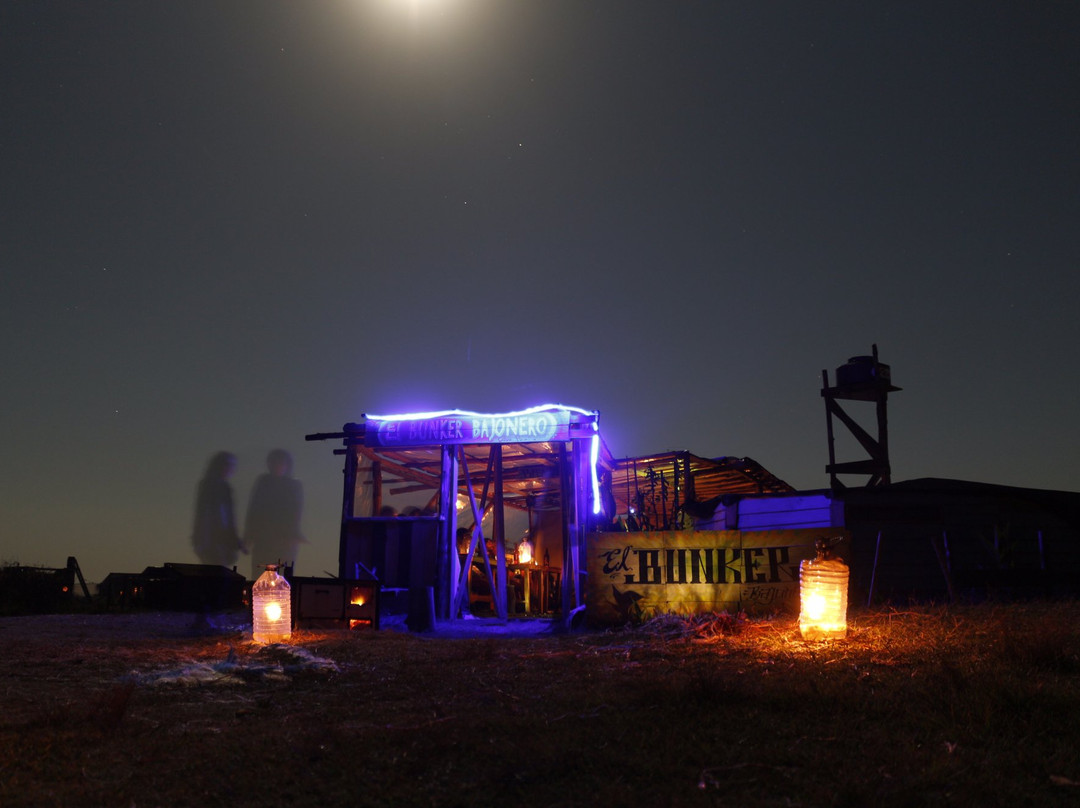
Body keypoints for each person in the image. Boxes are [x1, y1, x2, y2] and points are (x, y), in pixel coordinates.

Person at [245, 449, 305, 579]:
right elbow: (254, 510)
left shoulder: (294, 486)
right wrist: (249, 536)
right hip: (263, 541)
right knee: (260, 577)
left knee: (282, 578)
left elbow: (296, 513)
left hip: (284, 542)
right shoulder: (263, 482)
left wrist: (292, 535)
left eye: (280, 463)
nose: (276, 466)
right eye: (273, 463)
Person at [191, 451, 245, 568]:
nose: (232, 469)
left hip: (218, 542)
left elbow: (229, 518)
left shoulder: (223, 487)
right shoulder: (211, 486)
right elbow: (206, 515)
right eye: (229, 465)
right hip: (213, 542)